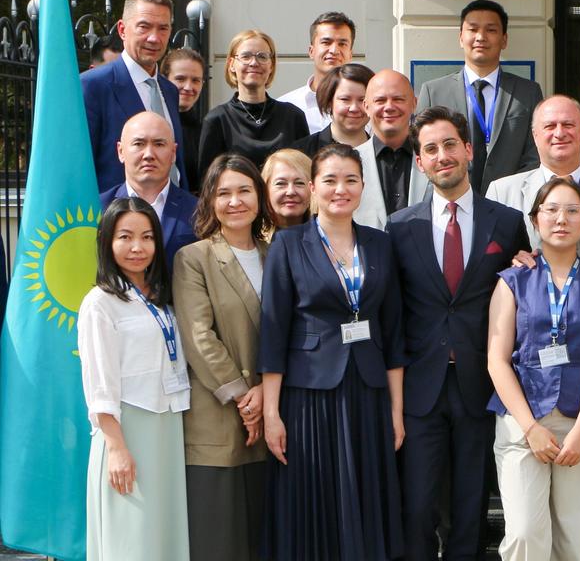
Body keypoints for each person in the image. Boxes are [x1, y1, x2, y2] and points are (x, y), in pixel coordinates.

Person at [386, 106, 529, 560]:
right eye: (430, 149)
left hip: (480, 385)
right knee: (418, 507)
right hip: (419, 387)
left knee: (471, 507)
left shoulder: (505, 222)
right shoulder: (400, 226)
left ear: (468, 150)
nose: (441, 155)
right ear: (420, 162)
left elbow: (520, 296)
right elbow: (392, 313)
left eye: (450, 144)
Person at [259, 143, 407, 560]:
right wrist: (272, 413)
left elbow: (393, 332)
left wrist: (396, 411)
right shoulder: (289, 245)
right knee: (315, 501)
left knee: (365, 497)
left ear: (363, 186)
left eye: (350, 180)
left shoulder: (381, 244)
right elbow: (273, 332)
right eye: (329, 180)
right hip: (309, 395)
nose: (340, 189)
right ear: (311, 187)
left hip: (369, 391)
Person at [487, 177, 580, 561]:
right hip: (521, 420)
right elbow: (496, 360)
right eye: (551, 210)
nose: (561, 219)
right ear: (535, 220)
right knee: (525, 533)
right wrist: (530, 428)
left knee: (573, 536)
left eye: (572, 211)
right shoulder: (512, 281)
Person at [78, 197, 191, 561]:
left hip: (167, 428)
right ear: (107, 242)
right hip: (127, 431)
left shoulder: (162, 298)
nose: (137, 247)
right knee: (130, 541)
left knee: (163, 538)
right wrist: (117, 449)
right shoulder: (100, 302)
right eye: (125, 237)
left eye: (146, 237)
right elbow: (99, 385)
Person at [172, 153, 270, 561]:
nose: (235, 201)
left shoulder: (278, 252)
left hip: (272, 417)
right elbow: (199, 337)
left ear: (259, 197)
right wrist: (246, 399)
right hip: (219, 416)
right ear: (209, 200)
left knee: (261, 537)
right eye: (224, 192)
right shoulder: (194, 258)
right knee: (220, 540)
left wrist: (267, 393)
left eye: (244, 191)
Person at [417, 0, 542, 194]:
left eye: (491, 30)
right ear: (460, 37)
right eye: (473, 29)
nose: (481, 37)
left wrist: (510, 195)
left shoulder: (528, 92)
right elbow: (423, 153)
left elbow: (535, 154)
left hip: (509, 205)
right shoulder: (433, 92)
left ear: (504, 39)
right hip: (451, 203)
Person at [486, 95, 580, 258]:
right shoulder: (501, 192)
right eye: (549, 126)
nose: (559, 133)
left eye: (568, 124)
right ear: (535, 135)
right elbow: (491, 261)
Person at [82, 0, 188, 192]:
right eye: (144, 27)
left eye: (163, 28)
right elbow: (80, 167)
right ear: (122, 30)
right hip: (118, 218)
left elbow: (175, 165)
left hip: (173, 216)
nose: (154, 38)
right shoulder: (92, 86)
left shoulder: (170, 91)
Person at [198, 30, 309, 177]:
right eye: (246, 56)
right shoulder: (217, 120)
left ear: (271, 66)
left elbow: (306, 174)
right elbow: (207, 184)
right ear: (232, 64)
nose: (254, 63)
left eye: (262, 56)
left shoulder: (293, 117)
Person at [100, 111, 198, 268]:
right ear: (121, 151)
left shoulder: (199, 211)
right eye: (139, 144)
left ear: (173, 153)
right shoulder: (97, 209)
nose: (149, 154)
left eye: (159, 144)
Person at [354, 70, 429, 230]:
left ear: (414, 104)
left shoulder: (433, 160)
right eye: (380, 100)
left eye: (398, 99)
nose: (389, 107)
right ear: (366, 107)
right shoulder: (350, 162)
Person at [277, 12, 357, 133]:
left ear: (350, 54)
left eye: (342, 44)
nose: (334, 50)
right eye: (326, 42)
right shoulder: (285, 106)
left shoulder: (366, 107)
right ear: (311, 51)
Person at [292, 63, 373, 157]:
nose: (354, 108)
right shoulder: (302, 153)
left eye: (362, 100)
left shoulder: (385, 153)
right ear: (329, 102)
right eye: (345, 99)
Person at [163, 48, 208, 187]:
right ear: (164, 80)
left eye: (195, 80)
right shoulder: (151, 126)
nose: (188, 87)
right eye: (180, 79)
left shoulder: (205, 130)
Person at [261, 149, 312, 231]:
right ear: (265, 189)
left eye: (299, 183)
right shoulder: (251, 241)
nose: (290, 192)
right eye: (280, 183)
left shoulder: (329, 240)